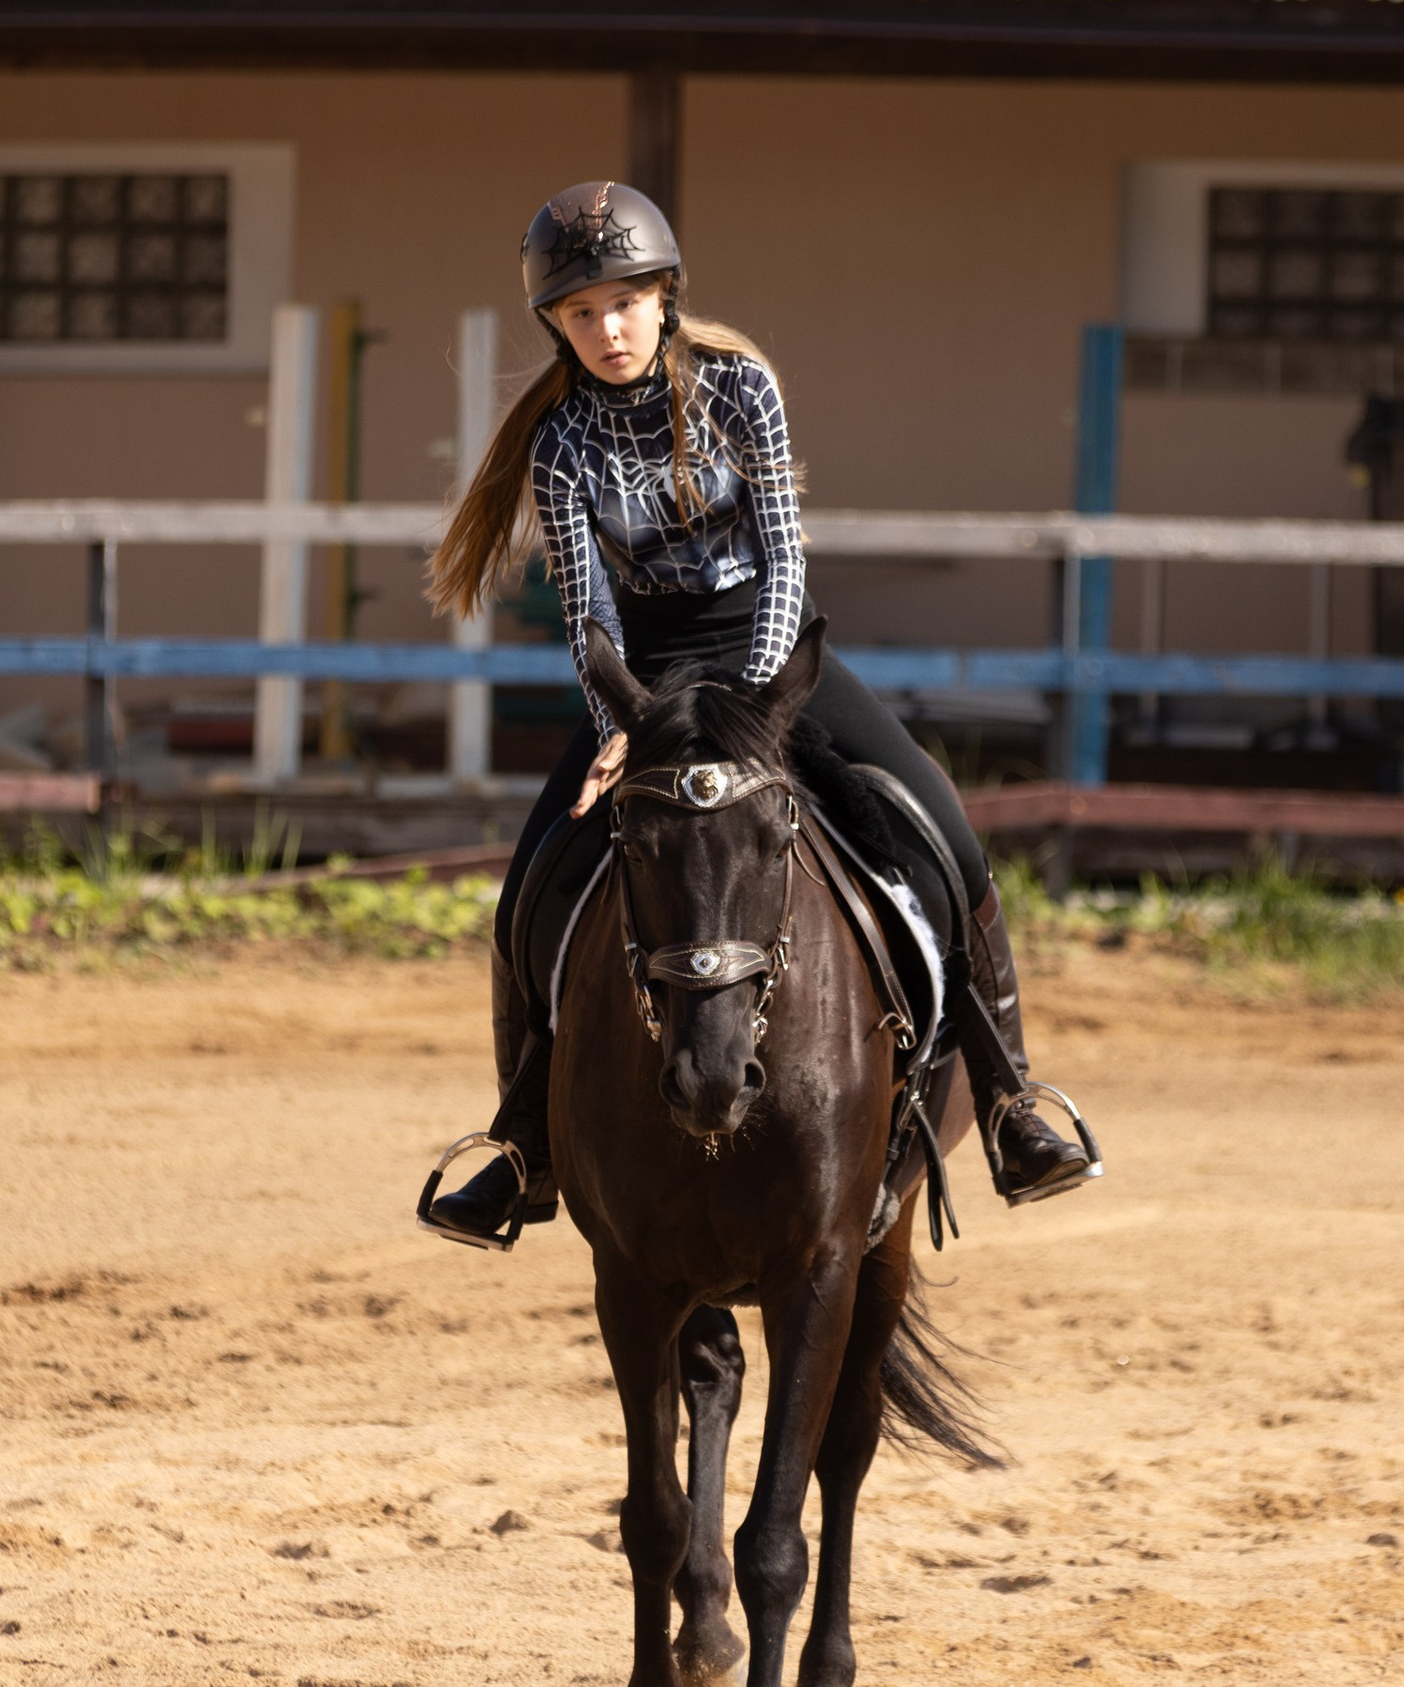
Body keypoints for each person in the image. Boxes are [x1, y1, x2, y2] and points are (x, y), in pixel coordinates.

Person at [416, 180, 1100, 1251]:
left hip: (767, 648)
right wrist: (617, 723)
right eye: (581, 312)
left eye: (624, 303)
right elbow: (590, 613)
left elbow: (784, 555)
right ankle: (520, 1149)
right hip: (645, 673)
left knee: (943, 830)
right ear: (555, 324)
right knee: (527, 893)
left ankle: (1012, 1101)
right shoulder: (558, 444)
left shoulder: (739, 387)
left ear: (664, 296)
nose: (607, 329)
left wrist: (760, 700)